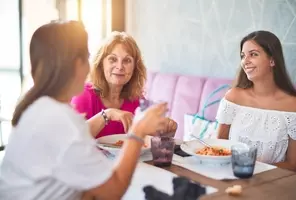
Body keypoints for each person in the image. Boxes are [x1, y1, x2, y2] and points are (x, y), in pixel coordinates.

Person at [0, 21, 170, 200]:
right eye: (87, 58)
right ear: (77, 64)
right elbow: (113, 191)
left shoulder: (37, 107)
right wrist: (138, 131)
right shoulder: (62, 121)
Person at [216, 30, 296, 172]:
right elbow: (219, 147)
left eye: (253, 54)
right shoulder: (233, 98)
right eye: (243, 56)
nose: (245, 61)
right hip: (231, 177)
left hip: (272, 184)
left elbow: (294, 165)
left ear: (272, 60)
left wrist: (252, 169)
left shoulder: (295, 106)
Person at [71, 31, 177, 138]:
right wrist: (108, 114)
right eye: (113, 59)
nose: (120, 66)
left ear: (135, 67)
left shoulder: (136, 100)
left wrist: (166, 133)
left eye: (127, 60)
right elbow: (71, 140)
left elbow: (147, 140)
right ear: (101, 64)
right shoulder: (83, 95)